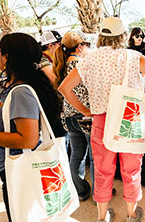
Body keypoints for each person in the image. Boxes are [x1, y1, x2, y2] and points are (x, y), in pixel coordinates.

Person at [59, 17, 145, 222]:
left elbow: (64, 87)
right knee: (131, 169)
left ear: (101, 37)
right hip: (129, 120)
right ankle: (132, 214)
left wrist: (85, 110)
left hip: (101, 121)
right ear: (123, 36)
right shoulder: (134, 57)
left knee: (102, 170)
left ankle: (102, 216)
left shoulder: (89, 59)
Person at [0, 33, 60, 222]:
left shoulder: (21, 92)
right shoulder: (12, 85)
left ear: (8, 57)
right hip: (12, 170)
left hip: (19, 169)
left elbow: (28, 139)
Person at [53, 31, 93, 202]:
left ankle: (80, 190)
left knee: (76, 155)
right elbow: (87, 94)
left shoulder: (60, 66)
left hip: (68, 118)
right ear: (79, 47)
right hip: (84, 117)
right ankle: (100, 195)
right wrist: (86, 110)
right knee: (94, 157)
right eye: (87, 45)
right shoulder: (81, 66)